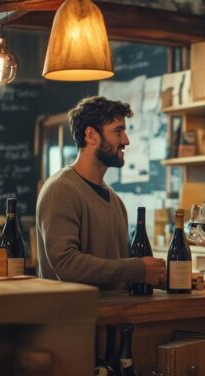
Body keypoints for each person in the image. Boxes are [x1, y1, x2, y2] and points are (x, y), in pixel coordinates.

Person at [36, 96, 166, 290]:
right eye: (118, 131)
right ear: (90, 135)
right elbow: (66, 264)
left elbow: (119, 274)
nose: (126, 140)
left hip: (114, 317)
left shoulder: (114, 200)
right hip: (75, 319)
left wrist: (169, 279)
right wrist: (137, 269)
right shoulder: (60, 190)